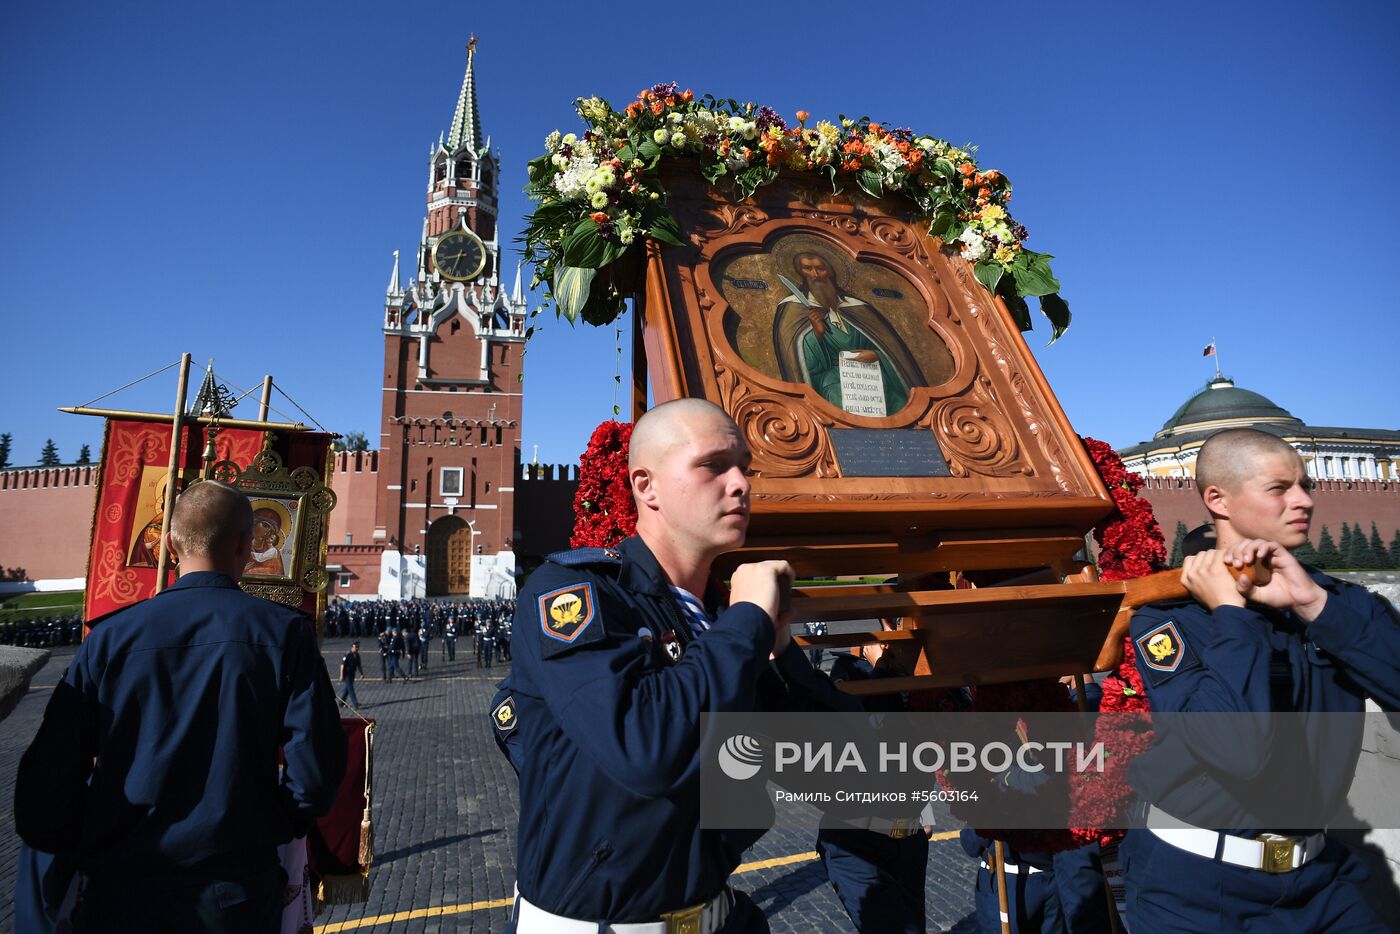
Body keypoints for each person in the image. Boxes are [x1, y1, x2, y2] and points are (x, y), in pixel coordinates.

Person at [492, 398, 851, 932]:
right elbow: (647, 747)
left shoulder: (716, 619)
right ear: (646, 486)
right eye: (713, 466)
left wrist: (778, 648)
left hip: (718, 914)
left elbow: (824, 759)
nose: (742, 485)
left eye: (745, 469)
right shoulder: (576, 594)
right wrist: (748, 616)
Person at [15, 480, 346, 933]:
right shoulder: (283, 634)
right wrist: (272, 823)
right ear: (247, 544)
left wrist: (87, 845)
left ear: (170, 543)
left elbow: (50, 772)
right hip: (234, 891)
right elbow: (315, 770)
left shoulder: (110, 637)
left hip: (121, 889)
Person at [1122, 429, 1400, 931]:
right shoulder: (1170, 619)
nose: (1305, 501)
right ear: (1217, 499)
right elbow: (1236, 751)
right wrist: (1233, 614)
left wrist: (1316, 607)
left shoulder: (1335, 600)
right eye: (1279, 488)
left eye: (1307, 484)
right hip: (1198, 890)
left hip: (1320, 878)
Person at [771, 251, 934, 417]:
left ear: (831, 272)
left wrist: (876, 355)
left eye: (820, 269)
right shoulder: (794, 308)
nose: (815, 275)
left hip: (872, 378)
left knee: (899, 405)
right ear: (801, 273)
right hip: (833, 380)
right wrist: (817, 334)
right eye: (807, 269)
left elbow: (889, 349)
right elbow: (798, 362)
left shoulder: (858, 307)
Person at [339, 640, 363, 708]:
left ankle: (341, 702)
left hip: (352, 674)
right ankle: (355, 703)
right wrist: (341, 675)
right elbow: (342, 666)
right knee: (351, 689)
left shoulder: (357, 655)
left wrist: (361, 674)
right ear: (352, 647)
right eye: (356, 647)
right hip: (347, 675)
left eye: (358, 647)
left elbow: (359, 665)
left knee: (347, 689)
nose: (357, 648)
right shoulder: (347, 655)